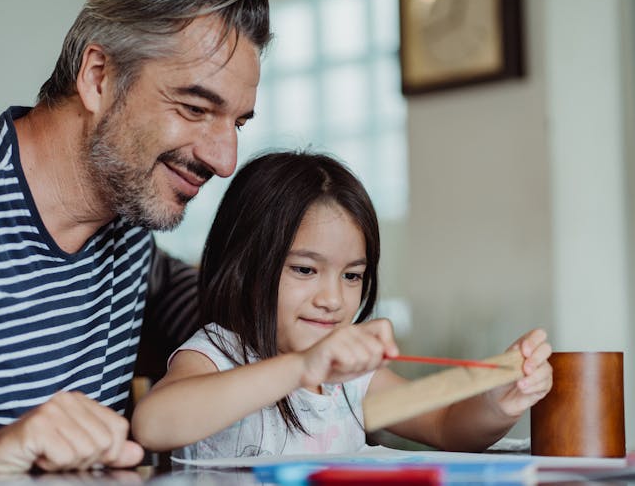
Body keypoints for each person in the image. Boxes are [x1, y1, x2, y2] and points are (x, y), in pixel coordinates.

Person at [0, 0, 271, 479]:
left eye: (237, 122)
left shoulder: (128, 222)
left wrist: (274, 312)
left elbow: (176, 287)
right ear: (98, 77)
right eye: (194, 108)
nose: (224, 160)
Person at [131, 151, 553, 459]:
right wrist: (302, 367)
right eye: (304, 270)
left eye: (352, 276)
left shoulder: (350, 378)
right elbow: (152, 424)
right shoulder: (217, 354)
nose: (332, 299)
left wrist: (499, 400)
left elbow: (446, 427)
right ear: (244, 266)